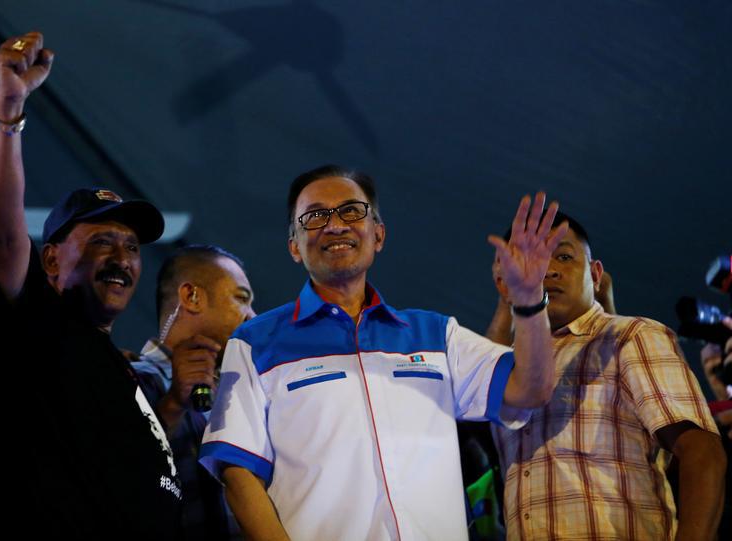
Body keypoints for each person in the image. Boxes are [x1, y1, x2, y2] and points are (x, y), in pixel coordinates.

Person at [200, 164, 568, 540]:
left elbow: (531, 389)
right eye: (314, 216)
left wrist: (527, 301)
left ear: (379, 234)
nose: (335, 225)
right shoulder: (253, 343)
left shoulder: (437, 334)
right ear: (294, 245)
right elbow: (237, 471)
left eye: (351, 210)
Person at [0, 32, 182, 539]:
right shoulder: (41, 323)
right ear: (51, 258)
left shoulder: (112, 360)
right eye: (101, 243)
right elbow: (3, 235)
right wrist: (8, 113)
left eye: (132, 248)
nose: (121, 260)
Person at [490, 212, 726, 540]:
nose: (549, 270)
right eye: (533, 262)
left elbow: (701, 450)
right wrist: (511, 297)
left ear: (595, 274)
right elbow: (478, 393)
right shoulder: (510, 367)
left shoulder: (629, 336)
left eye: (564, 257)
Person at [132, 244, 255, 539]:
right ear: (191, 296)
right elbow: (120, 476)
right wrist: (174, 403)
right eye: (241, 299)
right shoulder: (131, 380)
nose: (252, 316)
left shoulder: (233, 395)